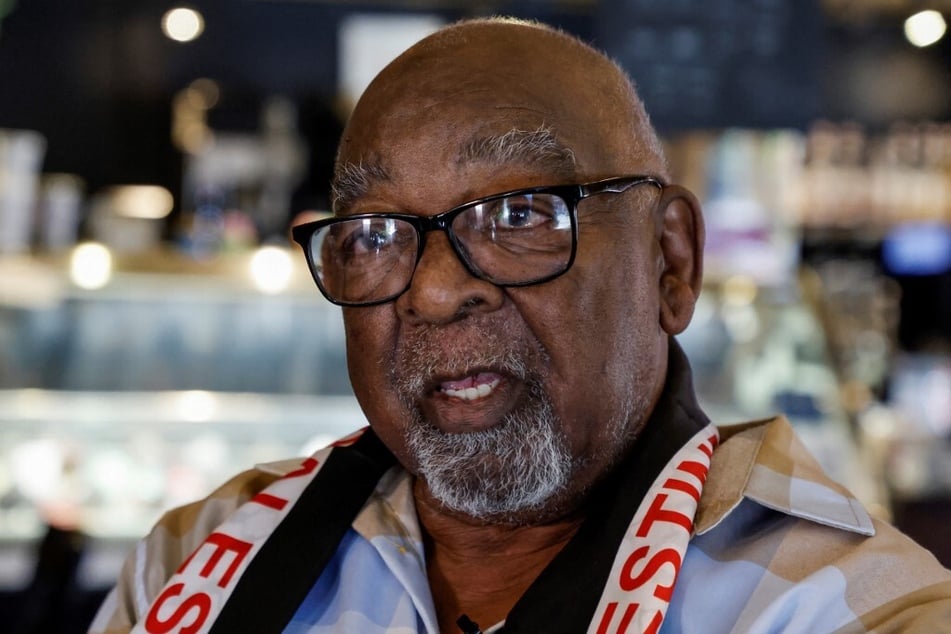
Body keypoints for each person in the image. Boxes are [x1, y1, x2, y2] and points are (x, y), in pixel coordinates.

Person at [89, 17, 951, 634]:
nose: (431, 291)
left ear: (671, 261)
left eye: (519, 213)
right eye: (376, 236)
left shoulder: (844, 604)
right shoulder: (196, 565)